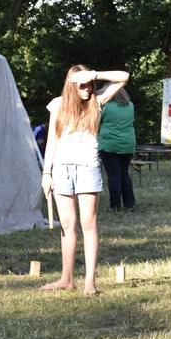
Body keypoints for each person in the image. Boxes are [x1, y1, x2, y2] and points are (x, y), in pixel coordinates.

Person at [41, 65, 129, 296]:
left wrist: (94, 75)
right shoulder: (58, 104)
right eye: (82, 86)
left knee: (88, 223)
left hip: (88, 168)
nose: (87, 89)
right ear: (71, 85)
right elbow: (52, 141)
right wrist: (46, 173)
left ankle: (90, 282)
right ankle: (66, 279)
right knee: (67, 225)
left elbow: (124, 77)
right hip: (61, 168)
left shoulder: (97, 100)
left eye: (89, 85)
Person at [97, 87, 136, 212]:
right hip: (128, 144)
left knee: (114, 175)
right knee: (124, 173)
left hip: (110, 145)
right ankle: (129, 204)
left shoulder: (106, 107)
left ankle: (115, 205)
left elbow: (97, 121)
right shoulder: (130, 106)